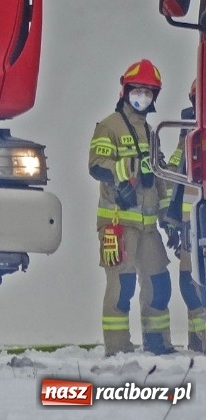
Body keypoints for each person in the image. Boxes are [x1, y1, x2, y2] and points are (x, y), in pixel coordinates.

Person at [89, 59, 174, 355]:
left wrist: (170, 217)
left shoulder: (152, 133)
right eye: (138, 90)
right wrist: (129, 170)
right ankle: (118, 348)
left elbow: (161, 177)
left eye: (149, 92)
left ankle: (157, 342)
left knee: (159, 284)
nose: (143, 96)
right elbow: (97, 165)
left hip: (149, 226)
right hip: (119, 223)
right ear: (125, 91)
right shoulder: (108, 126)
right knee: (122, 288)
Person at [163, 79, 206, 351]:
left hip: (200, 221)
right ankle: (197, 344)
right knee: (190, 283)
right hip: (191, 223)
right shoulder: (189, 136)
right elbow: (176, 182)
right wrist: (174, 223)